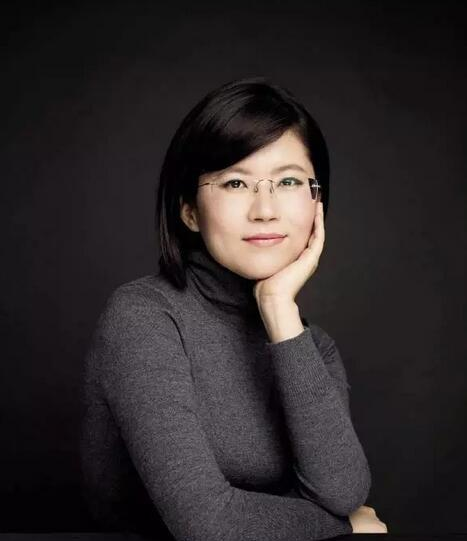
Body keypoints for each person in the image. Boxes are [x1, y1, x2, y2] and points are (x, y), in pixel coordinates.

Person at [79, 76, 388, 540]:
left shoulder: (307, 345)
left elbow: (342, 490)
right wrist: (341, 528)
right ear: (189, 210)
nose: (264, 209)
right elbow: (206, 524)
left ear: (316, 202)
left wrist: (277, 307)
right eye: (235, 182)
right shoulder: (143, 317)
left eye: (288, 181)